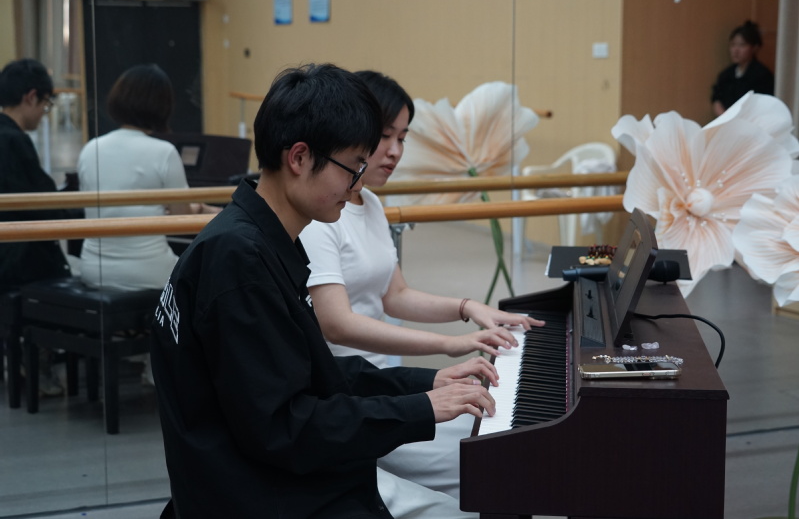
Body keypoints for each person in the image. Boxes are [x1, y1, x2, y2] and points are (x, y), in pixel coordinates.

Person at [149, 63, 499, 519]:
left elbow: (312, 372)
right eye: (353, 167)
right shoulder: (239, 259)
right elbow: (285, 428)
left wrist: (425, 382)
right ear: (298, 158)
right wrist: (419, 409)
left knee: (481, 464)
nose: (357, 185)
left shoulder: (255, 237)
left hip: (273, 472)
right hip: (260, 492)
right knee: (467, 496)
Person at [299, 70, 542, 500]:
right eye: (385, 136)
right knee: (490, 453)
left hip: (389, 381)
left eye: (403, 137)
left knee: (494, 430)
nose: (395, 151)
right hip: (352, 396)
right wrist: (450, 344)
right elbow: (337, 324)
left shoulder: (370, 203)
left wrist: (468, 308)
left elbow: (396, 295)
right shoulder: (322, 216)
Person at [77, 64, 220, 386]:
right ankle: (171, 366)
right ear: (162, 105)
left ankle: (149, 356)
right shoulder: (163, 151)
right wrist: (200, 208)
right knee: (205, 280)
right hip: (144, 271)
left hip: (93, 267)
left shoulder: (91, 147)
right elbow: (185, 221)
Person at [0, 58, 78, 396]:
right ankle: (40, 364)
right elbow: (39, 201)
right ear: (31, 97)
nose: (44, 114)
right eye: (45, 105)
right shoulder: (13, 140)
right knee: (65, 268)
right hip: (14, 260)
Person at [711, 20, 774, 116]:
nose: (736, 50)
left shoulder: (763, 75)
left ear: (755, 47)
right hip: (726, 121)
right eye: (733, 45)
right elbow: (717, 99)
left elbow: (764, 106)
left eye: (742, 45)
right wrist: (726, 117)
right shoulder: (726, 74)